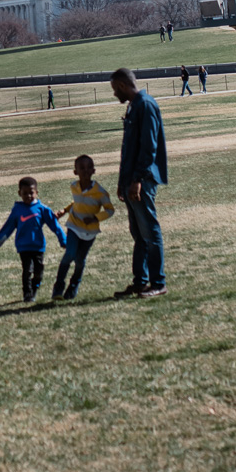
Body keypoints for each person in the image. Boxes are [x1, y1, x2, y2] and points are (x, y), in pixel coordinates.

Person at [110, 67, 167, 299]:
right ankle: (141, 282)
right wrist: (123, 182)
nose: (114, 94)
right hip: (131, 181)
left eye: (115, 89)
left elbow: (148, 147)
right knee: (139, 234)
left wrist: (136, 180)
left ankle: (158, 283)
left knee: (149, 232)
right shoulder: (133, 105)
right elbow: (129, 149)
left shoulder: (145, 104)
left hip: (142, 181)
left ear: (123, 85)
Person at [0, 176, 66, 303]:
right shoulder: (17, 210)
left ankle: (34, 290)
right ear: (19, 193)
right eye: (25, 193)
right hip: (23, 246)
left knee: (39, 272)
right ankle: (27, 294)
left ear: (37, 192)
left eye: (31, 193)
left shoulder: (42, 209)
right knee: (27, 270)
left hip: (38, 246)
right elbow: (8, 227)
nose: (28, 196)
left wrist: (63, 240)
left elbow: (55, 225)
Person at [52, 155, 114, 300]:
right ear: (75, 172)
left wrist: (95, 218)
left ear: (94, 170)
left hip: (90, 232)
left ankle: (73, 288)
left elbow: (110, 210)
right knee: (69, 254)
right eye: (81, 168)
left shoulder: (100, 192)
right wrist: (64, 211)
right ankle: (58, 288)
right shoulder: (74, 186)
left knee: (80, 260)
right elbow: (76, 202)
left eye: (88, 168)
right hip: (74, 226)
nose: (85, 171)